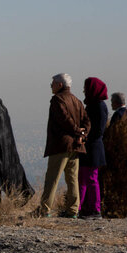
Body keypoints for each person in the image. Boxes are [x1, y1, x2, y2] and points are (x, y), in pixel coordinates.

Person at [36, 73, 89, 218]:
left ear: (60, 85)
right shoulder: (77, 101)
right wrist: (82, 135)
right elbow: (86, 121)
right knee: (72, 179)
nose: (51, 85)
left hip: (61, 145)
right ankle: (73, 210)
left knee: (52, 178)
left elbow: (63, 118)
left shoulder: (57, 100)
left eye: (53, 83)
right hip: (76, 146)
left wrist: (76, 130)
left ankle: (45, 209)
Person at [79, 77, 108, 220]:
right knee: (85, 178)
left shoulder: (98, 106)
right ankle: (84, 208)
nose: (84, 90)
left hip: (93, 149)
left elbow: (98, 130)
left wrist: (84, 136)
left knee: (90, 178)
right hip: (90, 148)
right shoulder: (93, 105)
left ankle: (94, 209)